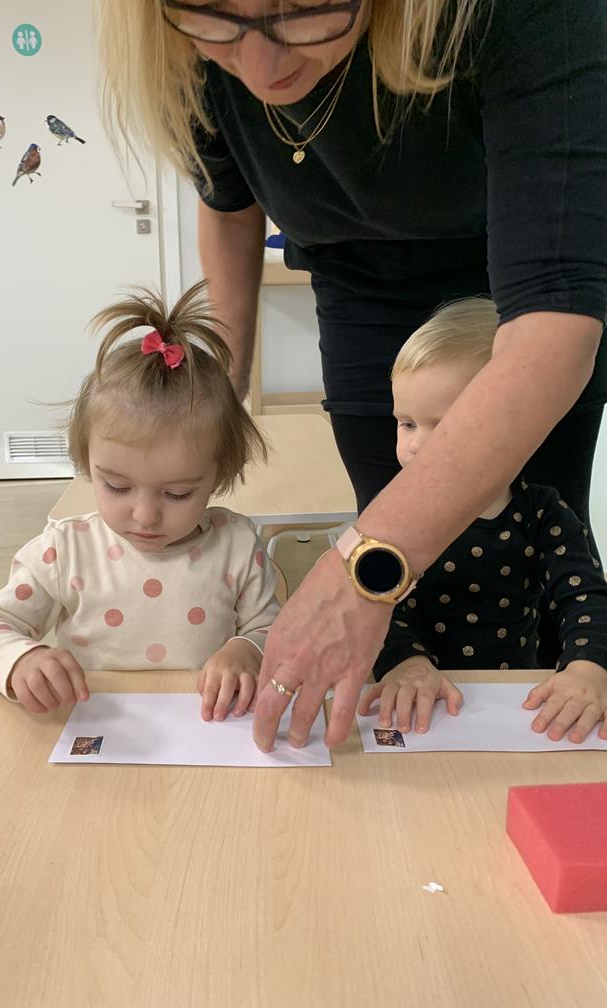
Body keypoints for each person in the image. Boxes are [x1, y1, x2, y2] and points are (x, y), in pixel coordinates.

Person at [99, 1, 607, 751]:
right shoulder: (190, 50)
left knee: (515, 535)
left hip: (515, 285)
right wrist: (216, 400)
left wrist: (367, 569)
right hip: (355, 282)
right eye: (217, 22)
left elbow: (553, 327)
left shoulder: (520, 16)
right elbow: (228, 203)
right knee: (387, 531)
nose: (262, 69)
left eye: (306, 14)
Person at [0, 283, 279, 721]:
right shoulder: (65, 550)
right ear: (87, 462)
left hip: (206, 730)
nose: (145, 515)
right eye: (116, 486)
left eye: (178, 493)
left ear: (219, 474)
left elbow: (272, 629)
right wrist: (22, 660)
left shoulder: (238, 545)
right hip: (96, 730)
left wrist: (246, 649)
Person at [357, 298, 607, 744]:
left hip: (515, 706)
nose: (415, 446)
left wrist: (587, 669)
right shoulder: (391, 513)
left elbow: (585, 597)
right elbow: (376, 605)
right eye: (407, 423)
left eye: (443, 426)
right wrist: (405, 663)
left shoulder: (544, 513)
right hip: (420, 703)